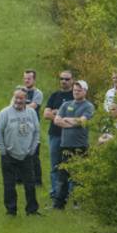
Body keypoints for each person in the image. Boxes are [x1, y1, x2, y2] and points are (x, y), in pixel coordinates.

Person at [0, 87, 42, 216]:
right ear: (13, 98)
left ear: (26, 99)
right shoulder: (5, 113)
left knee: (30, 184)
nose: (18, 100)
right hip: (9, 155)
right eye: (16, 97)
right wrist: (3, 151)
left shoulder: (31, 113)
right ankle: (11, 210)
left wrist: (32, 149)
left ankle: (32, 210)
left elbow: (37, 131)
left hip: (26, 155)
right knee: (9, 184)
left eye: (21, 98)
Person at [52, 79, 95, 210]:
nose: (76, 92)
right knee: (62, 176)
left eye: (79, 90)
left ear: (85, 91)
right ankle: (59, 204)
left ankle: (78, 203)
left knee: (79, 176)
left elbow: (82, 121)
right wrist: (71, 122)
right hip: (65, 146)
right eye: (75, 90)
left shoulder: (88, 106)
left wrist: (66, 120)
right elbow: (56, 120)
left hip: (80, 146)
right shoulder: (66, 105)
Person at [42, 70, 75, 204]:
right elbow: (45, 114)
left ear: (72, 80)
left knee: (71, 166)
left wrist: (56, 113)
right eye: (61, 79)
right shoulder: (54, 95)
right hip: (55, 135)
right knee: (55, 165)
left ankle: (71, 194)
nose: (64, 81)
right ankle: (55, 192)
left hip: (71, 137)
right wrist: (61, 116)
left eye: (67, 79)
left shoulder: (75, 96)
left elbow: (75, 117)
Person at [21, 69, 45, 185]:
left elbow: (33, 106)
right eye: (25, 78)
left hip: (32, 128)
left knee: (34, 155)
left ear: (34, 80)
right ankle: (20, 179)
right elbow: (12, 105)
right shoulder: (20, 91)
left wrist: (19, 106)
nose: (26, 80)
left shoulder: (38, 93)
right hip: (19, 127)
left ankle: (37, 181)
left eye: (29, 78)